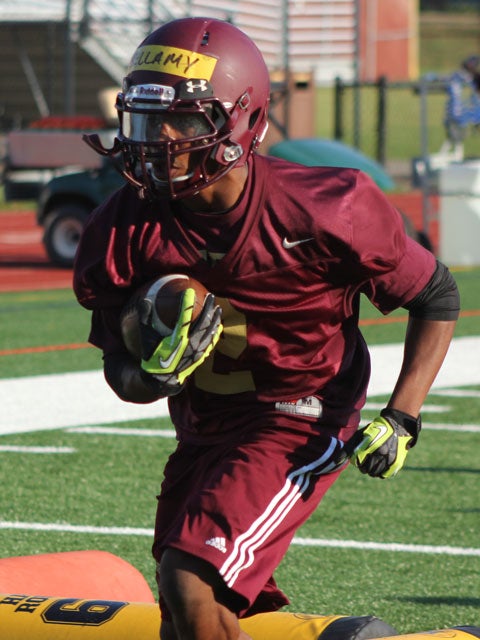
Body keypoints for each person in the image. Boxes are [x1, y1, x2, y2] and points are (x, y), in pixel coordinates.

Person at [73, 17, 460, 640]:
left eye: (185, 120)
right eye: (148, 120)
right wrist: (150, 376)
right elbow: (119, 371)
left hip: (299, 416)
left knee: (189, 578)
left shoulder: (328, 208)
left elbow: (436, 294)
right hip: (203, 429)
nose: (160, 139)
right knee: (188, 617)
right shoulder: (121, 225)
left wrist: (404, 414)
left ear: (242, 122)